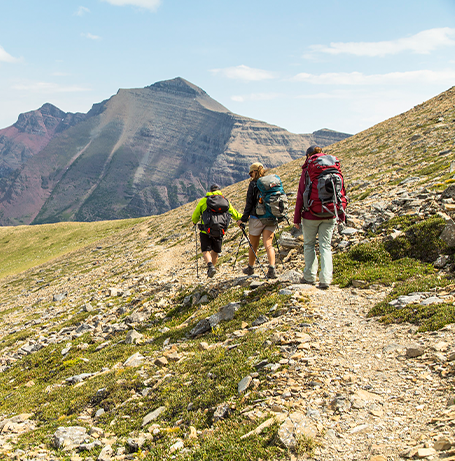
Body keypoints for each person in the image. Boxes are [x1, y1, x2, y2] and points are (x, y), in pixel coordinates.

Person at [294, 145, 336, 290]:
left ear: (308, 155)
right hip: (330, 212)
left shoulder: (308, 169)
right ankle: (326, 279)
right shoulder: (332, 166)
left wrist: (297, 218)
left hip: (311, 214)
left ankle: (310, 276)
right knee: (325, 246)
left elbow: (300, 195)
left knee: (309, 245)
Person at [192, 183, 242, 278]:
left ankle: (210, 266)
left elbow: (195, 215)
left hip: (205, 230)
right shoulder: (224, 201)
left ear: (210, 191)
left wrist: (194, 222)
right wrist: (243, 217)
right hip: (219, 230)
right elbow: (234, 213)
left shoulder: (204, 201)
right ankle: (212, 271)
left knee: (206, 250)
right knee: (215, 251)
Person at [237, 162, 277, 279]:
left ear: (254, 172)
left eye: (250, 173)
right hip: (271, 217)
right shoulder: (271, 182)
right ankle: (272, 268)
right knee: (268, 244)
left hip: (256, 218)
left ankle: (251, 268)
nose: (250, 176)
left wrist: (243, 220)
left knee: (253, 244)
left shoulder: (254, 184)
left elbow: (249, 204)